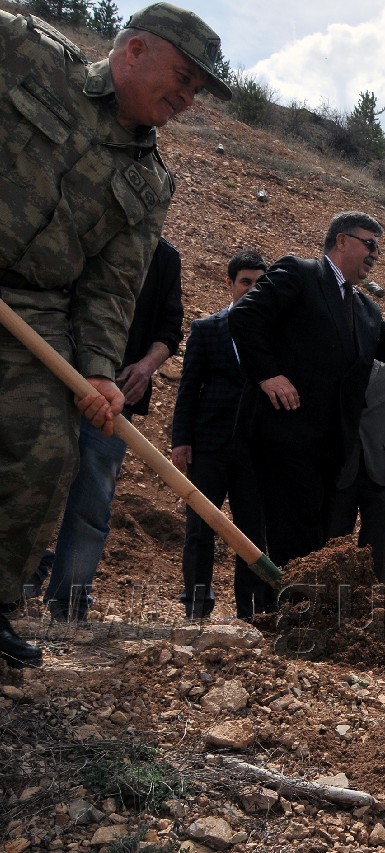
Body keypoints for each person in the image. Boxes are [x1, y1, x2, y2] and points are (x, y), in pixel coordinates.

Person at [0, 1, 230, 666]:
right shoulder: (28, 51)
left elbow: (111, 285)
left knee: (44, 449)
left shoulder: (151, 181)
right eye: (184, 77)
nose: (188, 98)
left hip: (34, 307)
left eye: (197, 89)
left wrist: (100, 368)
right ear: (134, 51)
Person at [228, 211, 385, 571]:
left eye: (378, 248)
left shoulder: (365, 309)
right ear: (342, 241)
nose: (375, 255)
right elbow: (244, 317)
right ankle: (285, 616)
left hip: (330, 451)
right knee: (289, 540)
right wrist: (268, 374)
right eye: (370, 244)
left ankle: (301, 615)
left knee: (316, 542)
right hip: (282, 438)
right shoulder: (300, 274)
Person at [41, 238, 183, 621]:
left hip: (116, 399)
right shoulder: (86, 233)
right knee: (31, 484)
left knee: (91, 502)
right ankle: (15, 586)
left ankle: (68, 604)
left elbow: (170, 328)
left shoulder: (164, 257)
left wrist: (145, 367)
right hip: (53, 382)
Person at [170, 251, 271, 620]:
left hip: (256, 452)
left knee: (252, 536)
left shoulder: (277, 336)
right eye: (246, 282)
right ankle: (196, 608)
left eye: (261, 283)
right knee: (199, 531)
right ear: (229, 284)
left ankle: (250, 612)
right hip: (208, 447)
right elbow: (189, 388)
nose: (253, 289)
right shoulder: (206, 329)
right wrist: (181, 439)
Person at [328, 361, 385, 583]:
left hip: (384, 471)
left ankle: (373, 599)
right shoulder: (335, 359)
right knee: (333, 542)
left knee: (380, 543)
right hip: (340, 470)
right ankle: (335, 599)